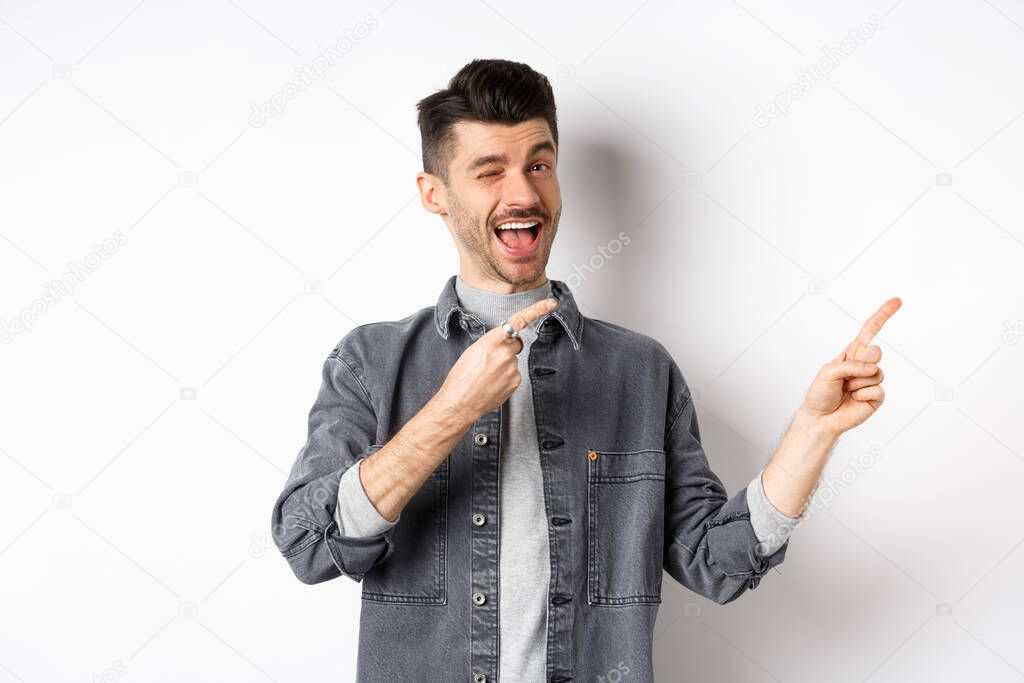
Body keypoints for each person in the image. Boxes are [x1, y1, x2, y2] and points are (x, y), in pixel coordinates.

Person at [270, 58, 900, 682]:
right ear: (434, 194)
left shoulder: (640, 372)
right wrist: (450, 410)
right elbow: (307, 546)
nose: (523, 193)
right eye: (490, 172)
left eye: (538, 165)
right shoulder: (369, 364)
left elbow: (719, 564)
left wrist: (814, 432)